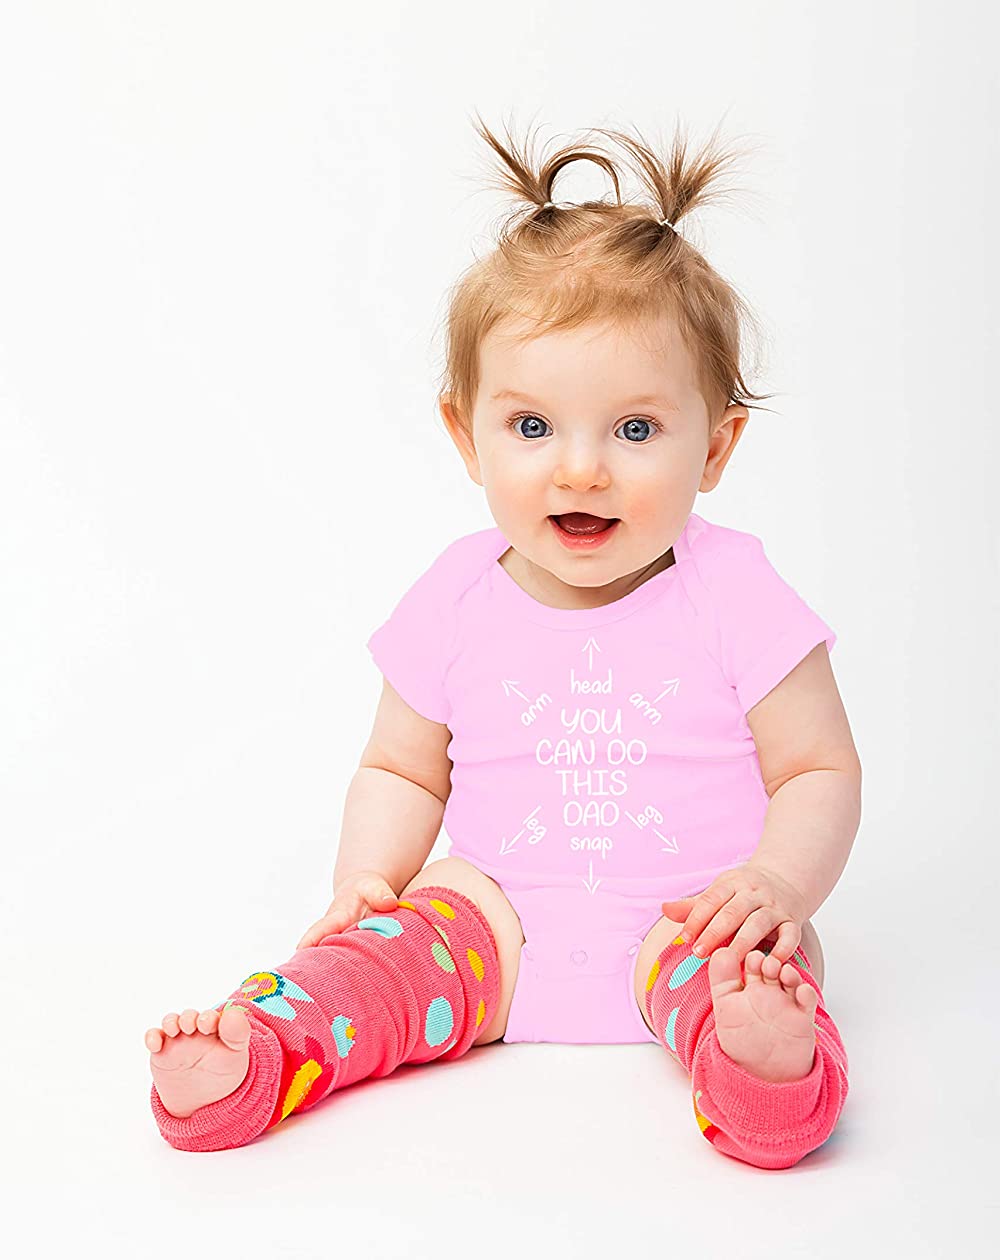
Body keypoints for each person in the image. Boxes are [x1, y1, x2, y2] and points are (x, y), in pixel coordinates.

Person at [145, 116, 859, 1167]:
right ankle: (266, 1049)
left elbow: (817, 768)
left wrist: (779, 888)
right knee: (376, 962)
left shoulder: (737, 592)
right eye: (532, 427)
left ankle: (765, 1076)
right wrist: (366, 880)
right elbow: (401, 766)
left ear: (716, 446)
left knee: (750, 974)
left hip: (687, 916)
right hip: (489, 923)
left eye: (635, 430)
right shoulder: (454, 596)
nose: (580, 469)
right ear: (464, 433)